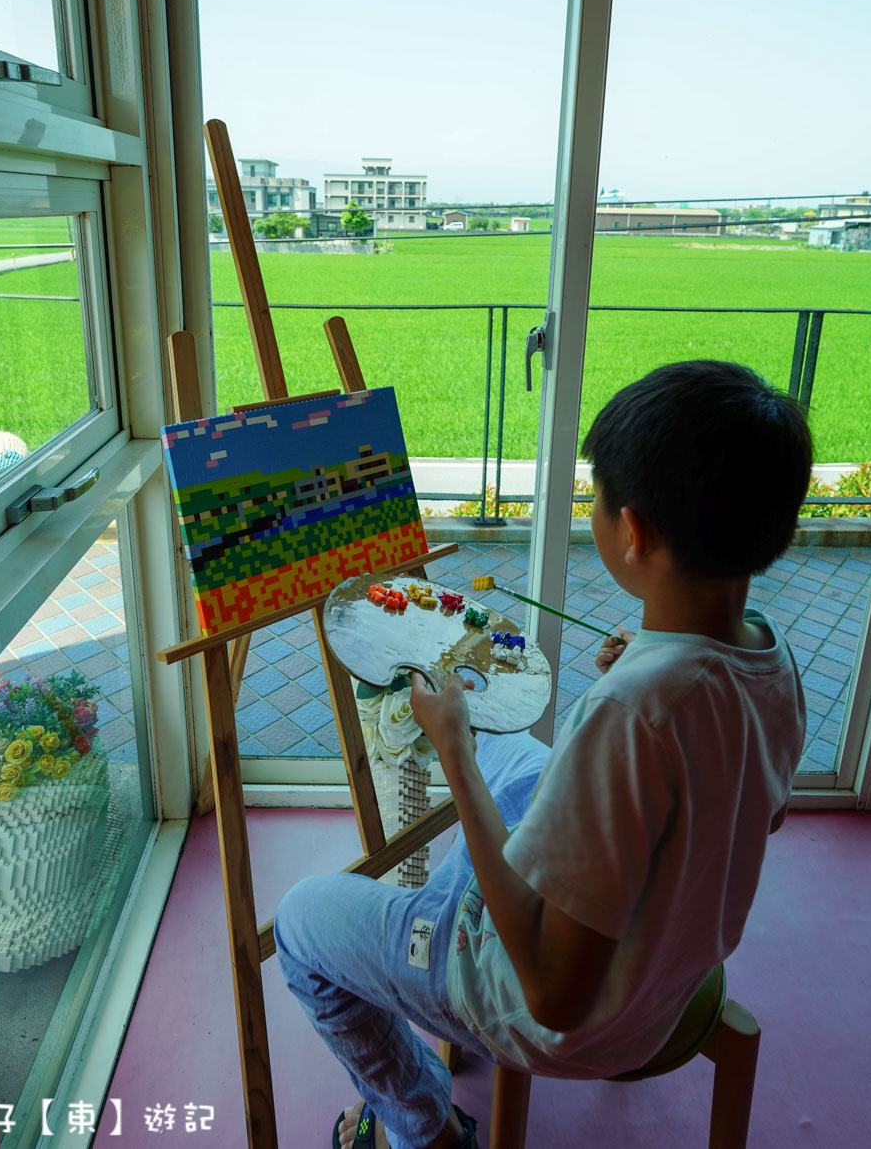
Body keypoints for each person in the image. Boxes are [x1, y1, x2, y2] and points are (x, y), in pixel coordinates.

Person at [275, 360, 811, 1149]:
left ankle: (424, 1131)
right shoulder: (768, 654)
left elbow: (554, 994)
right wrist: (644, 662)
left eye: (598, 497)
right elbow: (749, 813)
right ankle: (453, 889)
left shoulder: (633, 712)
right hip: (670, 966)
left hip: (560, 1014)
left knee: (298, 924)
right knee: (517, 756)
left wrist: (452, 750)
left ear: (635, 533)